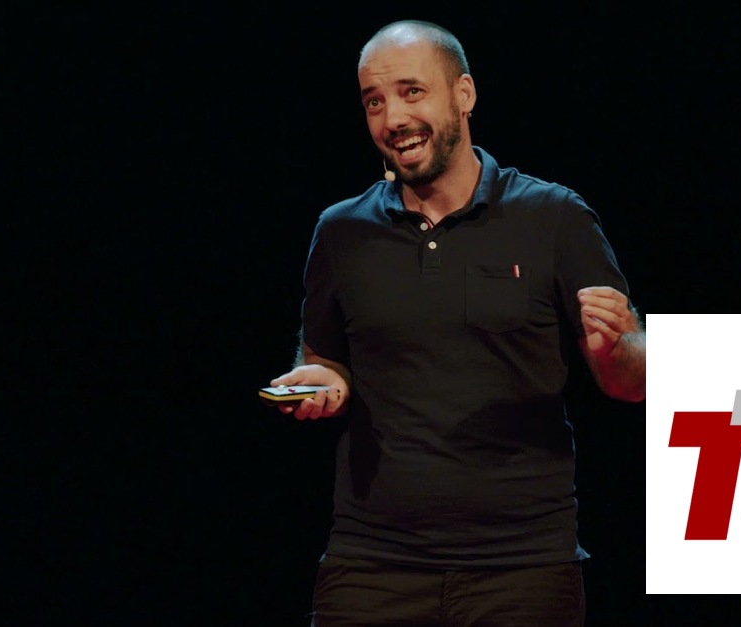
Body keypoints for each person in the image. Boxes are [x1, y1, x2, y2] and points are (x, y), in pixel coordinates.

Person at [269, 19, 645, 627]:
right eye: (374, 101)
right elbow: (324, 358)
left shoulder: (554, 216)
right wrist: (320, 381)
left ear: (463, 94)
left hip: (522, 570)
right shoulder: (341, 231)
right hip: (370, 566)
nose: (393, 118)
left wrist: (617, 346)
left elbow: (631, 382)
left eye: (412, 92)